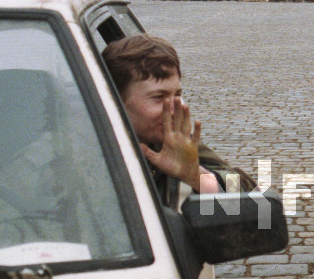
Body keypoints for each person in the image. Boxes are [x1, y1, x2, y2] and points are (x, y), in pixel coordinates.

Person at [102, 34, 255, 206]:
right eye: (159, 97)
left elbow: (252, 202)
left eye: (178, 95)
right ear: (115, 101)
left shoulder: (176, 142)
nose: (177, 108)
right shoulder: (92, 159)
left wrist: (196, 176)